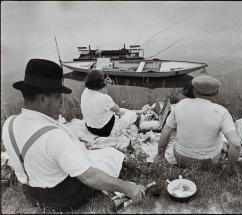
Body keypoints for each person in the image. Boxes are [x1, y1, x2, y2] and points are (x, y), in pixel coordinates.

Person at [1, 59, 145, 211]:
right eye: (58, 96)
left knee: (95, 156)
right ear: (43, 98)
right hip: (61, 197)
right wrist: (128, 188)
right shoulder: (54, 136)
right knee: (110, 157)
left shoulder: (9, 123)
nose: (62, 102)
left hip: (30, 193)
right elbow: (89, 177)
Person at [157, 75, 241, 168]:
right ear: (216, 93)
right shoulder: (222, 112)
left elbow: (165, 132)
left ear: (194, 91)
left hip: (182, 160)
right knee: (223, 141)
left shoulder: (180, 105)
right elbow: (236, 144)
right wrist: (230, 166)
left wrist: (161, 158)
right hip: (210, 162)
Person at [80, 70, 136, 137]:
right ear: (100, 83)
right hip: (104, 131)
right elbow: (117, 109)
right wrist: (121, 112)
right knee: (132, 115)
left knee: (112, 110)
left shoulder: (85, 91)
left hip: (90, 128)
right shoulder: (105, 98)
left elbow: (99, 97)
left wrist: (104, 85)